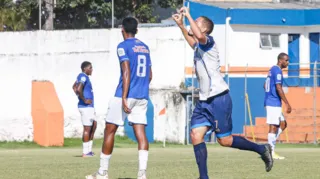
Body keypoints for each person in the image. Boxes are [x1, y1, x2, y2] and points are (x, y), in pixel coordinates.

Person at [172, 7, 273, 179]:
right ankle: (203, 177)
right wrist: (182, 25)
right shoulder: (199, 46)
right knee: (195, 135)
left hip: (219, 98)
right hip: (204, 101)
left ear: (204, 29)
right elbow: (193, 42)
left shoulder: (209, 41)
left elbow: (199, 38)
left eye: (196, 23)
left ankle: (261, 148)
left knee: (224, 141)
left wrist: (188, 14)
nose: (193, 23)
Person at [86, 17, 152, 179]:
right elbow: (150, 75)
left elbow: (126, 71)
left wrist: (124, 97)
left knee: (110, 130)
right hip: (142, 96)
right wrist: (140, 89)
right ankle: (142, 174)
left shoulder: (122, 46)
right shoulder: (145, 47)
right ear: (137, 30)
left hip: (125, 94)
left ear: (122, 29)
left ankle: (102, 172)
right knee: (141, 133)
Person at [264, 52, 291, 160]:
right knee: (273, 126)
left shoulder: (272, 70)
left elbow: (264, 84)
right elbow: (278, 87)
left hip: (272, 101)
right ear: (281, 60)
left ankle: (270, 146)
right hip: (273, 102)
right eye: (286, 60)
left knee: (283, 124)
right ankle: (270, 151)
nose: (288, 62)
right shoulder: (277, 71)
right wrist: (287, 103)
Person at [72, 61, 97, 157]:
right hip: (85, 106)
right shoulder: (82, 76)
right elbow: (78, 88)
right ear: (84, 69)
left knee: (94, 124)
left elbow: (74, 87)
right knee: (87, 128)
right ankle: (85, 152)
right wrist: (84, 99)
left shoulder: (84, 77)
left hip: (89, 107)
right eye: (90, 68)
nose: (91, 69)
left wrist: (79, 96)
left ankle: (89, 150)